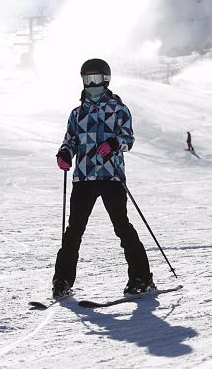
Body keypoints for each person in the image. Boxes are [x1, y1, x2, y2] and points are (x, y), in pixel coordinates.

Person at [53, 58, 154, 298]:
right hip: (84, 177)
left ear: (106, 80)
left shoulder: (119, 109)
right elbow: (71, 140)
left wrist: (114, 143)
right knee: (74, 231)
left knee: (122, 228)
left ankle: (141, 278)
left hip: (111, 176)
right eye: (88, 79)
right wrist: (65, 152)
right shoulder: (77, 113)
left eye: (96, 79)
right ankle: (62, 280)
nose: (92, 84)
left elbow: (128, 139)